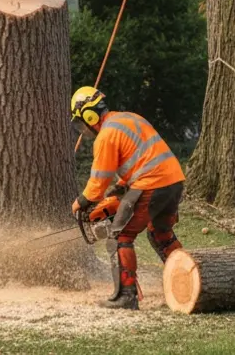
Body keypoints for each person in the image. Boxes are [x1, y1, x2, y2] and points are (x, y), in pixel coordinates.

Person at [70, 86, 186, 310]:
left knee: (120, 235)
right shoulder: (130, 118)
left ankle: (126, 296)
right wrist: (121, 187)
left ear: (89, 116)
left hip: (151, 184)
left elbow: (97, 185)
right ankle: (186, 279)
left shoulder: (105, 136)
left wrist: (80, 203)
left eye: (82, 121)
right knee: (160, 233)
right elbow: (142, 154)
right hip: (173, 180)